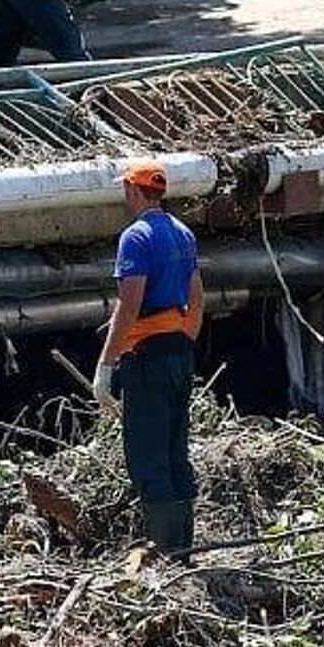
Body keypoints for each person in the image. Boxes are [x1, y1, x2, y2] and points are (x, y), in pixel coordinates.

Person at [93, 161, 203, 554]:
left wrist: (107, 364)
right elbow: (197, 299)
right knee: (176, 449)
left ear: (133, 191)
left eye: (125, 188)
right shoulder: (183, 233)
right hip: (178, 352)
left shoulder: (135, 238)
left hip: (147, 358)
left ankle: (165, 552)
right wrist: (181, 340)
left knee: (147, 454)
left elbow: (130, 305)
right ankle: (183, 547)